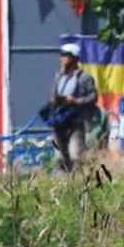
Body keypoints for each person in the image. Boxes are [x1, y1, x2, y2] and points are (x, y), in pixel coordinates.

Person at [48, 38, 98, 172]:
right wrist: (57, 101)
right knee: (59, 156)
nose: (62, 58)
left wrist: (76, 101)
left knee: (76, 156)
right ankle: (63, 185)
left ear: (74, 58)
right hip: (60, 121)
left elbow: (93, 97)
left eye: (65, 55)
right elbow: (53, 94)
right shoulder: (59, 76)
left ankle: (77, 184)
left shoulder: (84, 77)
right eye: (62, 55)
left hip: (76, 121)